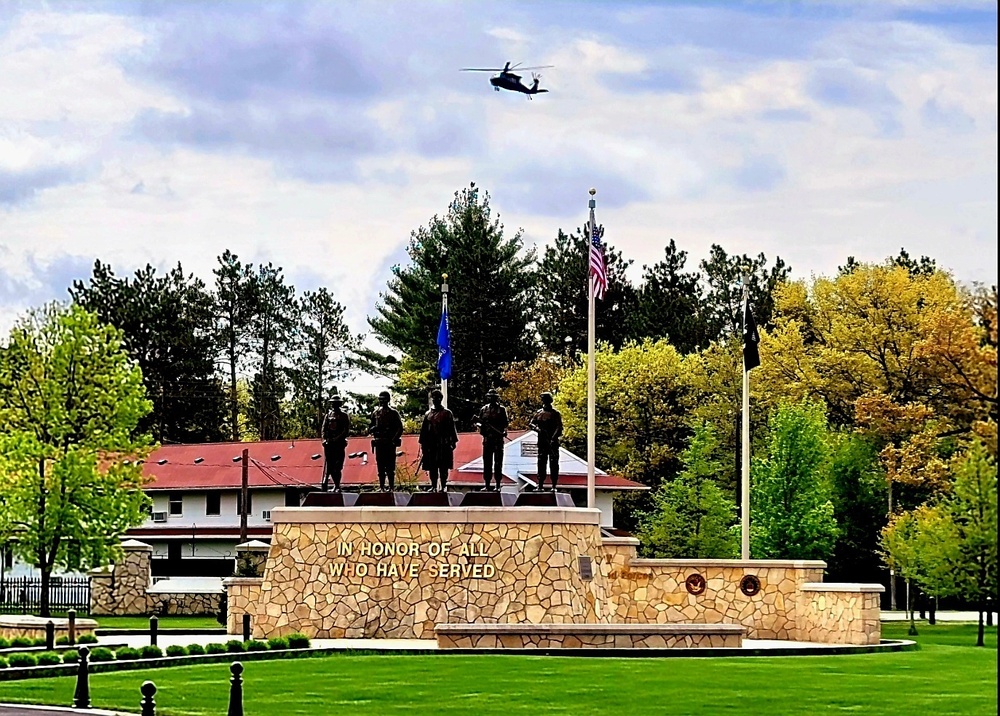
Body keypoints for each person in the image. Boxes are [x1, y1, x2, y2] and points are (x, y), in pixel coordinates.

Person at [419, 389, 458, 492]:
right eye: (434, 398)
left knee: (443, 467)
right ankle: (434, 486)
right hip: (431, 445)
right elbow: (424, 432)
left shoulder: (447, 413)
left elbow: (451, 429)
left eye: (438, 398)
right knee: (432, 467)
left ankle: (444, 486)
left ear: (441, 399)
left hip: (443, 444)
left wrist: (453, 442)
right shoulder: (428, 414)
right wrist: (423, 444)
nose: (436, 400)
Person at [368, 391, 403, 492]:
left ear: (388, 400)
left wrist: (393, 440)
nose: (381, 401)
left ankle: (391, 487)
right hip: (379, 442)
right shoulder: (375, 413)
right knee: (380, 466)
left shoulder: (393, 413)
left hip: (389, 443)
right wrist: (374, 428)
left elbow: (399, 428)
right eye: (380, 399)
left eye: (384, 399)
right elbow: (370, 428)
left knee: (390, 467)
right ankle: (382, 486)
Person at [528, 391, 563, 490]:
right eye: (543, 399)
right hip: (542, 442)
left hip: (552, 443)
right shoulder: (539, 413)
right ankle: (540, 485)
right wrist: (537, 429)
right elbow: (531, 423)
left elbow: (559, 427)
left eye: (545, 399)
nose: (544, 401)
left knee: (554, 464)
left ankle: (554, 485)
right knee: (541, 463)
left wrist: (553, 438)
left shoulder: (555, 414)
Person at [476, 389, 509, 491]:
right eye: (490, 396)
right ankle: (487, 484)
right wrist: (481, 428)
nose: (491, 398)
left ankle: (498, 484)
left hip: (498, 440)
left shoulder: (501, 410)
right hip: (487, 439)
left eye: (493, 397)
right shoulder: (484, 409)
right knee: (487, 463)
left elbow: (505, 424)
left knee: (498, 463)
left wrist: (504, 431)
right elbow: (479, 423)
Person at [321, 396, 350, 492]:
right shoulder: (328, 415)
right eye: (333, 403)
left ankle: (337, 485)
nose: (334, 405)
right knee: (330, 466)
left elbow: (346, 430)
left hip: (339, 444)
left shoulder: (344, 416)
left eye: (336, 403)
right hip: (329, 445)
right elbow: (324, 429)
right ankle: (334, 485)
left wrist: (337, 438)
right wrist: (325, 439)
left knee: (338, 467)